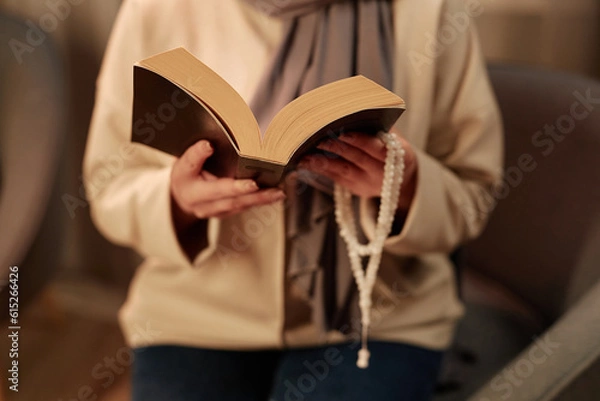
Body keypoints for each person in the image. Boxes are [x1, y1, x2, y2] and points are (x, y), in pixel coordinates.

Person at [83, 0, 503, 400]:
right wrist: (176, 199)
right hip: (194, 316)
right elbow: (109, 186)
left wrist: (407, 183)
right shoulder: (157, 8)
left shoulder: (429, 10)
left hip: (379, 319)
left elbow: (474, 195)